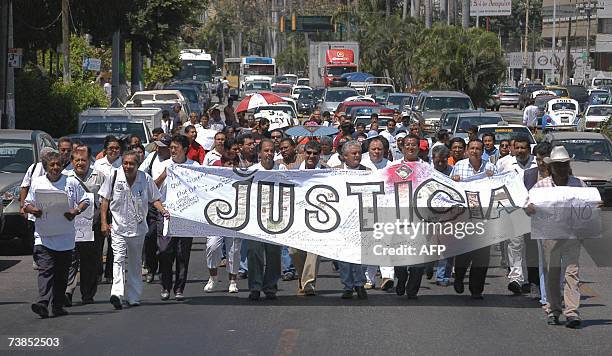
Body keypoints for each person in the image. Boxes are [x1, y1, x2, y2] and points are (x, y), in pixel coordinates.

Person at [525, 146, 591, 328]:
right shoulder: (542, 186)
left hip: (572, 235)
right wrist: (529, 208)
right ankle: (553, 310)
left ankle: (572, 312)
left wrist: (595, 206)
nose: (561, 168)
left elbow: (589, 205)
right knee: (552, 273)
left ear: (568, 166)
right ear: (551, 166)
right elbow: (527, 205)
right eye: (558, 165)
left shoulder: (578, 184)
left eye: (564, 165)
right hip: (550, 235)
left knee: (572, 272)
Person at [99, 150, 168, 309]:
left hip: (138, 229)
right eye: (125, 163)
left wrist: (163, 210)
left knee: (135, 263)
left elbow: (154, 198)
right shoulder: (114, 177)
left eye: (131, 164)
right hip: (118, 227)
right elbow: (105, 201)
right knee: (118, 259)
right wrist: (104, 222)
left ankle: (133, 296)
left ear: (138, 165)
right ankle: (117, 293)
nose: (128, 166)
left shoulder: (145, 179)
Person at [26, 150, 90, 318]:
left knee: (61, 273)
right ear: (46, 167)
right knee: (46, 269)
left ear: (63, 166)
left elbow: (85, 200)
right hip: (44, 236)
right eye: (51, 165)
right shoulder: (38, 183)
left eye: (58, 165)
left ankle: (58, 305)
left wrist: (75, 211)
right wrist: (35, 210)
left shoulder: (71, 182)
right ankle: (42, 302)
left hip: (65, 236)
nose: (55, 168)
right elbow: (27, 204)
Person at [450, 139, 497, 299]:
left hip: (484, 218)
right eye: (472, 148)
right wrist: (454, 181)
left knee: (482, 256)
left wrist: (493, 179)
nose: (475, 151)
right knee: (464, 253)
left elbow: (499, 190)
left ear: (482, 151)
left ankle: (477, 290)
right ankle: (459, 277)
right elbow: (450, 190)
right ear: (467, 150)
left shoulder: (490, 167)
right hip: (464, 217)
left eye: (478, 148)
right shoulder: (459, 166)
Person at [155, 135, 199, 301]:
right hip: (166, 214)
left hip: (186, 217)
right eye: (171, 147)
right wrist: (164, 175)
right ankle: (165, 285)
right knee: (164, 251)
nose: (172, 150)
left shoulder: (194, 166)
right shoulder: (164, 165)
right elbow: (152, 188)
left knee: (182, 254)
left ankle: (179, 288)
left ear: (185, 149)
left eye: (176, 147)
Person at [64, 147, 105, 307]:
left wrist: (103, 221)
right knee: (71, 259)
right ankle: (68, 291)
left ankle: (88, 294)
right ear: (72, 162)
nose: (80, 163)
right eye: (77, 160)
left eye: (83, 160)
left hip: (92, 225)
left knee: (90, 261)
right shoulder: (66, 177)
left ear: (89, 161)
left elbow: (105, 200)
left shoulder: (99, 176)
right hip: (71, 226)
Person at [498, 135, 538, 295]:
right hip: (513, 211)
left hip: (534, 212)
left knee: (532, 248)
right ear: (513, 149)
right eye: (518, 148)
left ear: (529, 149)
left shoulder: (537, 163)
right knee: (515, 245)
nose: (520, 151)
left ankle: (532, 281)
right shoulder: (505, 164)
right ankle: (516, 278)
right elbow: (499, 186)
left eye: (524, 148)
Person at [247, 139, 282, 301]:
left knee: (274, 253)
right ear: (259, 153)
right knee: (254, 253)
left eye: (271, 151)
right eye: (266, 151)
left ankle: (270, 286)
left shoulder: (281, 169)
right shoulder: (251, 171)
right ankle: (255, 286)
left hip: (276, 217)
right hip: (255, 218)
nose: (269, 154)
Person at [288, 141, 323, 296]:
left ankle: (308, 284)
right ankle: (303, 278)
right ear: (303, 153)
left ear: (319, 155)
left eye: (315, 154)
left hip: (320, 218)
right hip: (298, 218)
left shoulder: (327, 172)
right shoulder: (292, 171)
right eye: (309, 153)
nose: (311, 156)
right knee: (294, 252)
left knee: (314, 251)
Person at [335, 141, 369, 299]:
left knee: (361, 255)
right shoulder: (334, 173)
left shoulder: (368, 172)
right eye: (353, 153)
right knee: (343, 256)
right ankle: (347, 286)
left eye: (359, 153)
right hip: (341, 219)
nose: (357, 155)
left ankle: (360, 284)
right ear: (344, 156)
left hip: (361, 218)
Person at [394, 134, 426, 298]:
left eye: (414, 145)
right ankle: (401, 277)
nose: (411, 148)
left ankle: (413, 288)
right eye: (407, 145)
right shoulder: (393, 167)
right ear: (402, 147)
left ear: (418, 147)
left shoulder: (427, 168)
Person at [138, 134, 172, 284]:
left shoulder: (174, 161)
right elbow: (141, 175)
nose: (158, 149)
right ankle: (151, 268)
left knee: (165, 241)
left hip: (170, 206)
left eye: (162, 147)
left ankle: (164, 271)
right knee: (150, 236)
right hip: (153, 204)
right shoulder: (152, 158)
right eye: (157, 146)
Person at [523, 142, 553, 303]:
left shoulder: (559, 175)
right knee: (532, 254)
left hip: (553, 223)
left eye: (545, 160)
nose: (542, 163)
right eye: (539, 159)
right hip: (531, 221)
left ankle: (552, 287)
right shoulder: (529, 174)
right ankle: (534, 284)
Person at [93, 136, 123, 283]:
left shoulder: (124, 164)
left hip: (118, 208)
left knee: (114, 242)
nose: (114, 151)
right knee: (98, 242)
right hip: (100, 206)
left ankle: (110, 273)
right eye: (111, 148)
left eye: (117, 148)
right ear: (105, 149)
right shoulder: (98, 164)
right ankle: (98, 271)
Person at [430, 145, 454, 286]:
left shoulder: (453, 172)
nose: (440, 164)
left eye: (443, 161)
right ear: (432, 159)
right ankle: (428, 266)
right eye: (437, 161)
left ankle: (442, 276)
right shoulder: (427, 172)